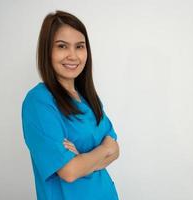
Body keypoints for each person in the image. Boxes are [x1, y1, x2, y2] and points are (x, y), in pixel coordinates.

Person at [21, 10, 120, 200]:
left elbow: (115, 149)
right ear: (47, 50)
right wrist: (102, 151)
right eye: (62, 46)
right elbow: (69, 171)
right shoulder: (39, 102)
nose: (73, 55)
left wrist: (84, 158)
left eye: (80, 46)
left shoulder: (89, 98)